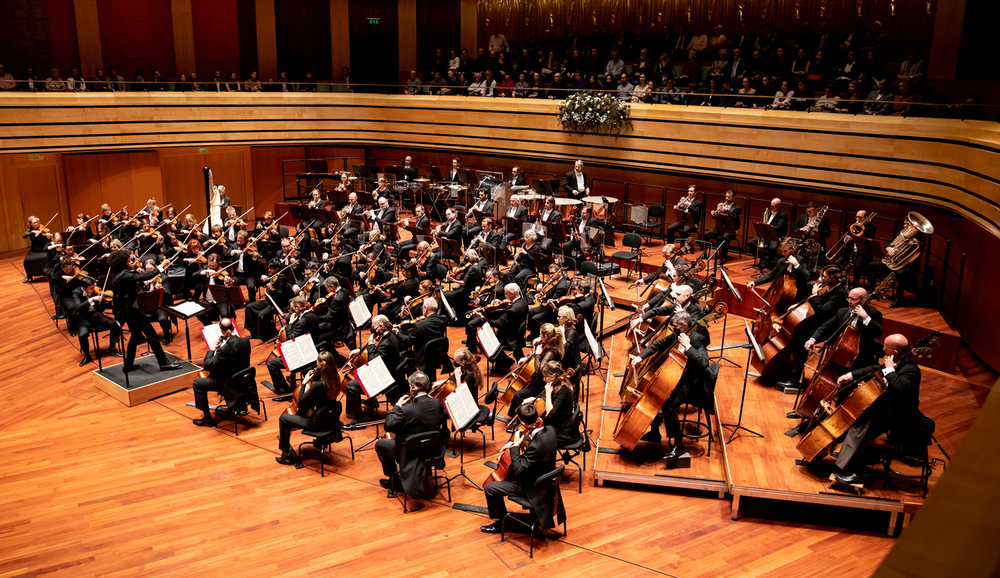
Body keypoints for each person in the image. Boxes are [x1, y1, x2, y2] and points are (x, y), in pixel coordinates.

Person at [831, 334, 922, 486]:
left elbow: (899, 388)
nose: (883, 348)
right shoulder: (895, 361)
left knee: (859, 429)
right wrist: (850, 375)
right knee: (857, 424)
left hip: (899, 417)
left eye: (886, 346)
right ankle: (852, 463)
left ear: (896, 352)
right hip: (886, 410)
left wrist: (889, 372)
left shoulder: (911, 370)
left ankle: (858, 474)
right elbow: (875, 368)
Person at [630, 311, 712, 459]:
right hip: (677, 377)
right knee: (656, 392)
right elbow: (657, 345)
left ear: (684, 326)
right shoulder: (677, 334)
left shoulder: (697, 339)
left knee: (668, 404)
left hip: (693, 384)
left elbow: (704, 362)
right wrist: (640, 357)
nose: (673, 328)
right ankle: (655, 433)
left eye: (676, 326)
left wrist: (688, 347)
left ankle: (678, 445)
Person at [480, 402, 558, 534]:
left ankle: (503, 523)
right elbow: (535, 442)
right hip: (545, 479)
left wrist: (515, 447)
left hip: (533, 488)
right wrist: (514, 443)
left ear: (522, 422)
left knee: (490, 487)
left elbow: (519, 472)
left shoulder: (535, 447)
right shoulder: (550, 430)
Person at [375, 371, 448, 511]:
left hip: (409, 451)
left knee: (380, 445)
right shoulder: (437, 403)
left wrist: (397, 406)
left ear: (412, 389)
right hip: (433, 449)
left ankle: (395, 481)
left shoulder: (406, 410)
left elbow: (388, 425)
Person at [107, 249, 181, 372]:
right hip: (132, 311)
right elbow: (146, 275)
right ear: (122, 264)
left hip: (127, 311)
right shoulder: (125, 275)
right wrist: (161, 266)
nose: (132, 262)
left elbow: (137, 281)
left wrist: (136, 274)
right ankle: (163, 363)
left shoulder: (118, 275)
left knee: (135, 336)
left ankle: (128, 365)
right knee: (151, 335)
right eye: (129, 261)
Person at [275, 351, 345, 464]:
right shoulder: (336, 379)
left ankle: (286, 455)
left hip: (317, 423)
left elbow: (301, 403)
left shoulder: (319, 385)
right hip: (331, 420)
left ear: (321, 365)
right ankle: (320, 440)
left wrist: (304, 382)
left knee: (284, 419)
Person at [343, 315, 403, 427]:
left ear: (380, 326)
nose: (372, 328)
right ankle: (371, 401)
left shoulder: (387, 342)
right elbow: (378, 351)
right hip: (387, 372)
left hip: (384, 379)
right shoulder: (390, 335)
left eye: (373, 326)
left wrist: (370, 344)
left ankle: (358, 420)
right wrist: (360, 350)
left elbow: (373, 360)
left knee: (351, 386)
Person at [805, 287, 884, 371]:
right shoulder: (842, 311)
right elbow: (826, 326)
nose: (849, 301)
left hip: (860, 355)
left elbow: (878, 332)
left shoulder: (873, 313)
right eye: (848, 298)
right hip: (839, 352)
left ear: (863, 301)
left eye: (853, 299)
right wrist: (812, 339)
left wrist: (865, 317)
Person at [190, 317, 252, 426]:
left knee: (197, 383)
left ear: (222, 330)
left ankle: (207, 418)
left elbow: (208, 365)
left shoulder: (224, 350)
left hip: (228, 383)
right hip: (243, 379)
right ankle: (241, 405)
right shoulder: (245, 341)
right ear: (233, 327)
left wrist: (213, 349)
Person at [266, 296, 320, 394]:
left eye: (293, 308)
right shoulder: (311, 315)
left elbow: (291, 338)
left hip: (303, 355)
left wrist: (290, 324)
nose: (292, 310)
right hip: (312, 349)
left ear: (298, 307)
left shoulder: (303, 321)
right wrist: (287, 326)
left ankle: (284, 390)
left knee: (271, 363)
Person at [395, 297, 448, 379]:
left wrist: (397, 332)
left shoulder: (420, 325)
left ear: (426, 309)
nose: (422, 309)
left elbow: (409, 340)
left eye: (422, 307)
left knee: (401, 355)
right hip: (438, 353)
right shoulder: (443, 319)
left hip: (423, 356)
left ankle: (413, 378)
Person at [701, 189, 742, 264]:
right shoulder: (723, 205)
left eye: (729, 197)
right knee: (706, 235)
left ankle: (723, 258)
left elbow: (735, 218)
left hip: (730, 229)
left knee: (724, 238)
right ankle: (704, 253)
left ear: (734, 197)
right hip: (720, 228)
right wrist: (715, 213)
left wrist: (726, 210)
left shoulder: (737, 208)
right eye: (726, 197)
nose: (726, 199)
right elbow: (716, 218)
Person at [23, 216, 52, 282]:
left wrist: (48, 236)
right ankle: (28, 275)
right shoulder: (29, 230)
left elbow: (49, 239)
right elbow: (24, 236)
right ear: (30, 224)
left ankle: (47, 273)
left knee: (45, 258)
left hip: (43, 249)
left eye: (37, 222)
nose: (36, 224)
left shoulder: (43, 229)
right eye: (34, 223)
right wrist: (33, 232)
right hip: (34, 250)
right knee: (27, 260)